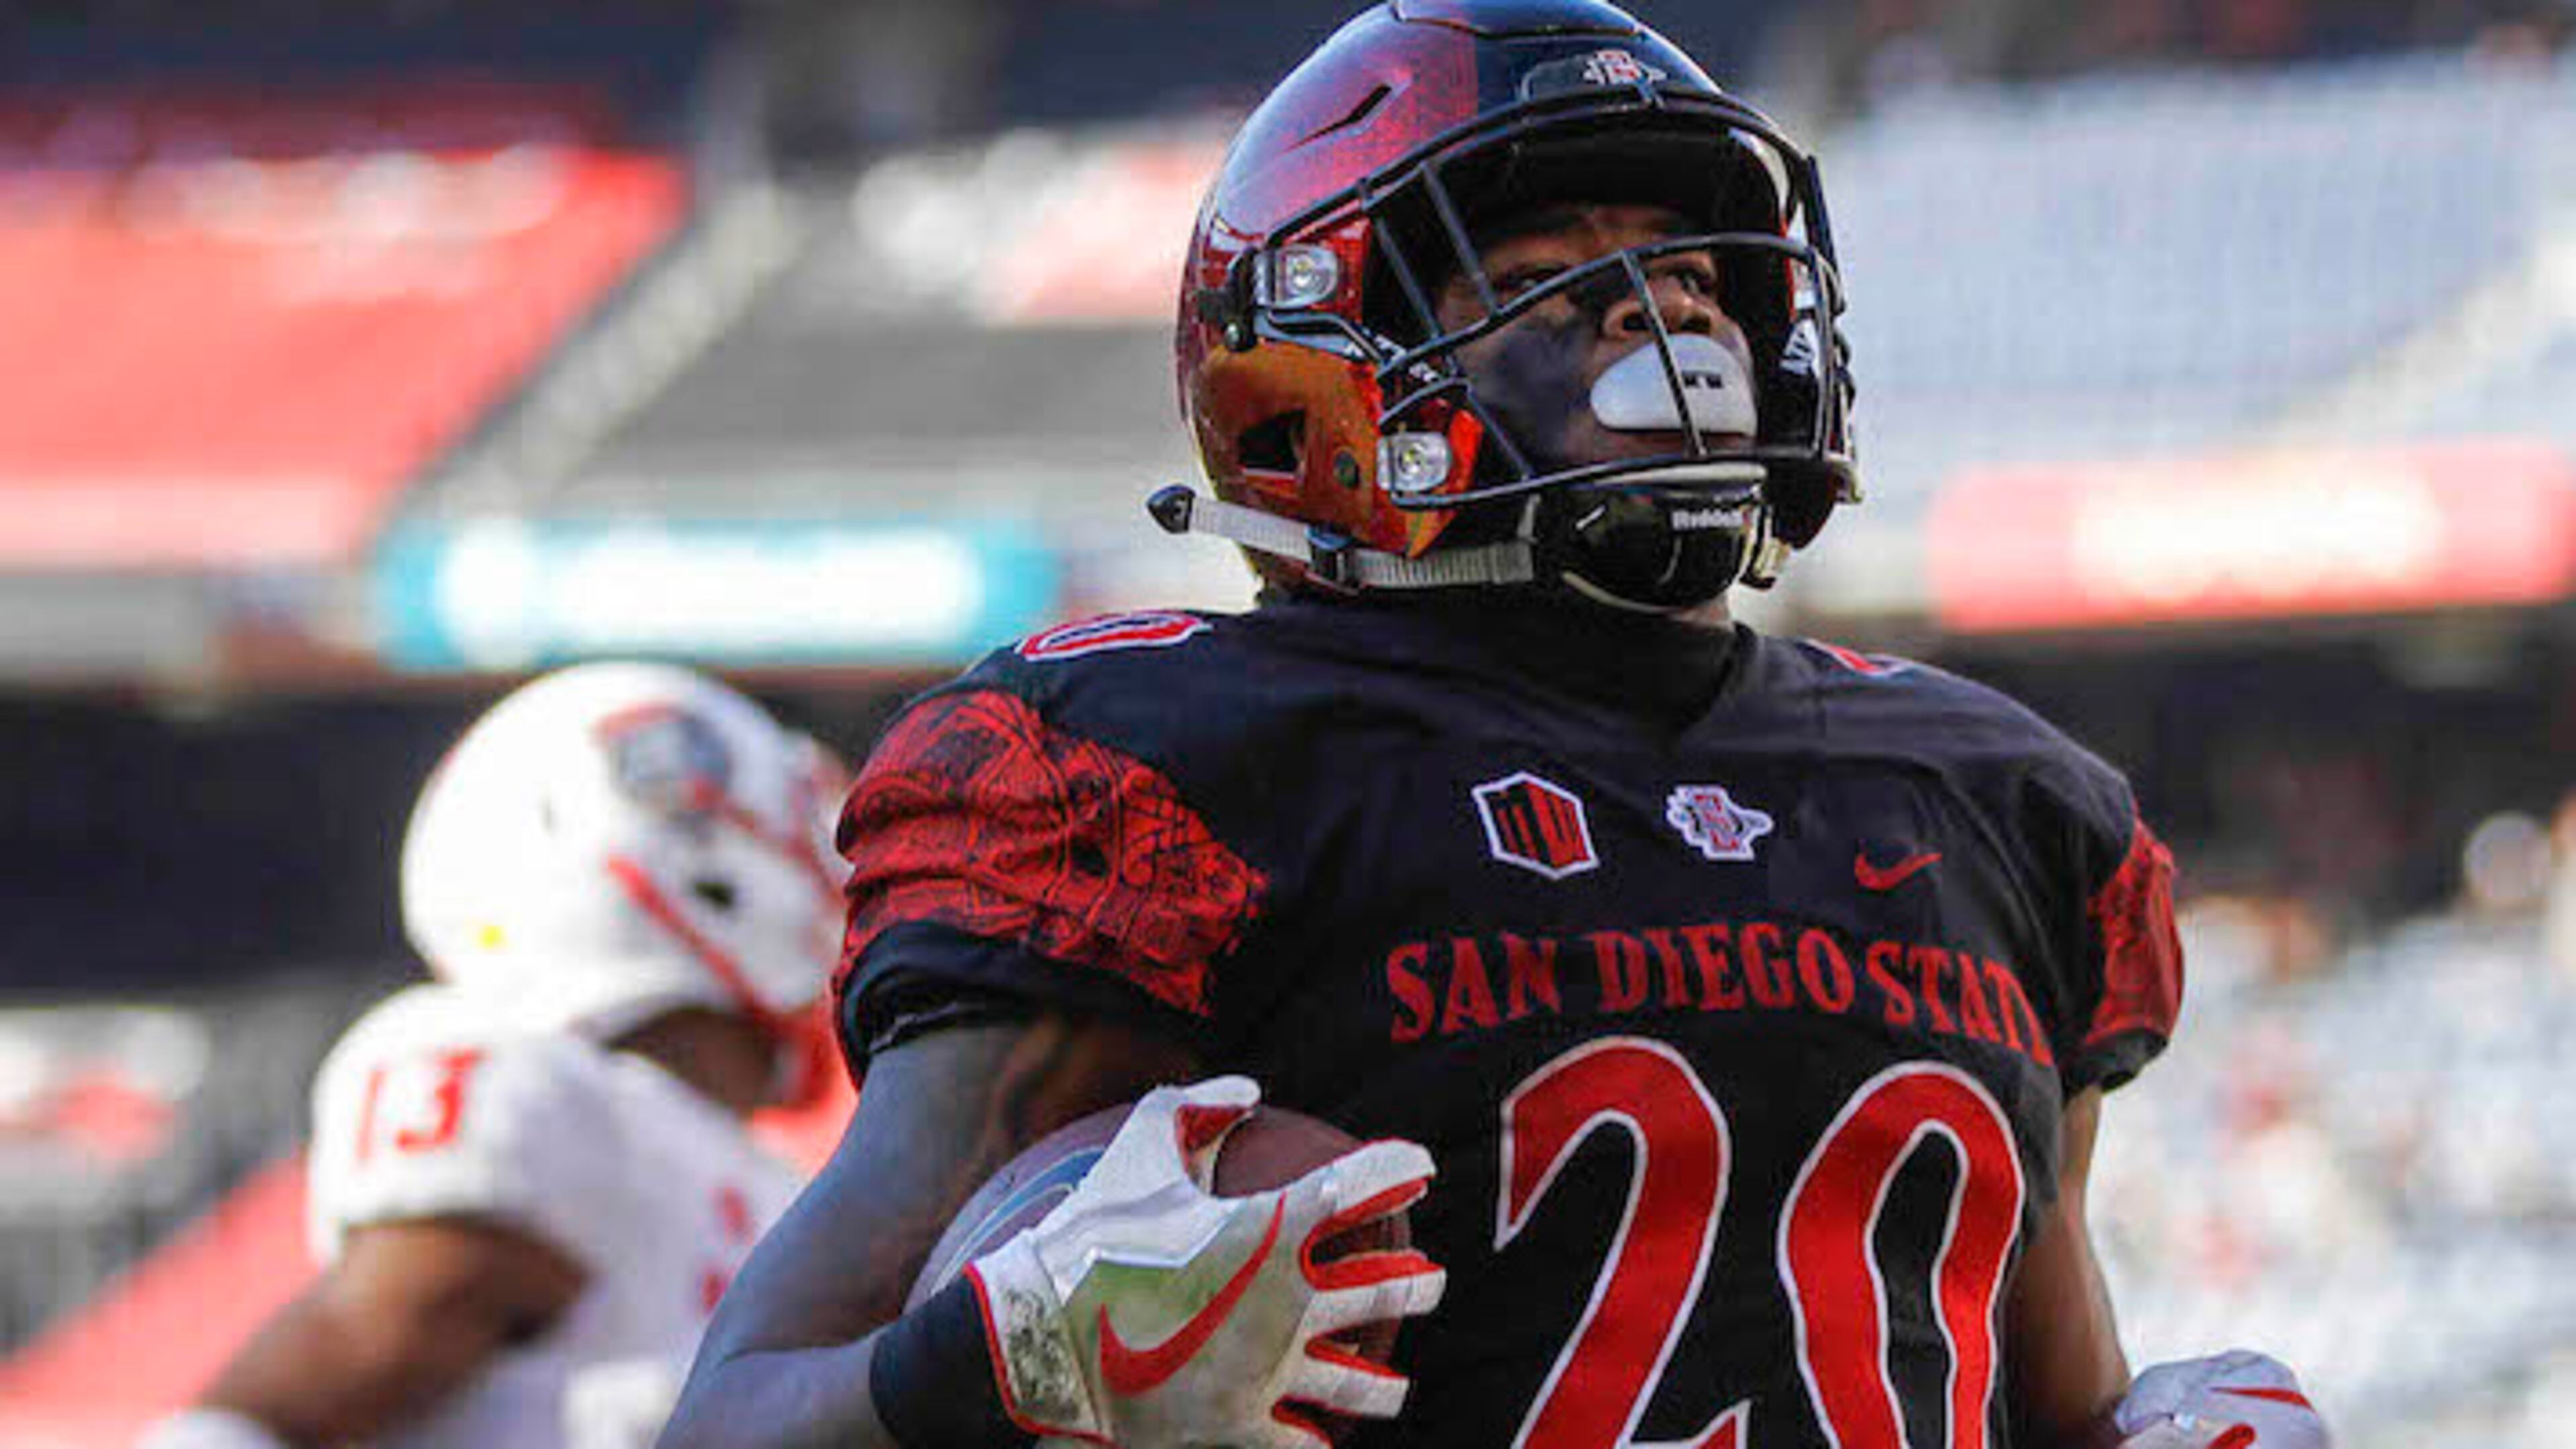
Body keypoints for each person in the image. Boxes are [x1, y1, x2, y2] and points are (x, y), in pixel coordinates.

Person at [664, 4, 2337, 1447]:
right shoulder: (1157, 770)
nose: (1657, 318)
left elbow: (2033, 1390)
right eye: (1543, 276)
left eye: (1684, 271)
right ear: (1314, 370)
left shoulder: (1987, 796)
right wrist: (983, 1357)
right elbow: (740, 1412)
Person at [137, 662, 850, 1449]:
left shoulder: (761, 1177)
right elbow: (353, 1349)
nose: (827, 867)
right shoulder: (551, 1095)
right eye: (784, 823)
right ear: (685, 864)